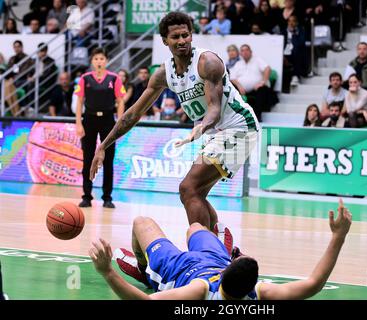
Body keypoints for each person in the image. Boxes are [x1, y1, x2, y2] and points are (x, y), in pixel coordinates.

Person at [89, 12, 260, 253]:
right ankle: (223, 248)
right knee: (194, 193)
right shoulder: (163, 73)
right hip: (215, 132)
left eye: (186, 35)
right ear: (164, 41)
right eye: (175, 37)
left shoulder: (207, 62)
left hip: (238, 128)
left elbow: (213, 108)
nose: (182, 40)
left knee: (188, 188)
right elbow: (133, 114)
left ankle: (203, 254)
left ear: (191, 35)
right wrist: (102, 146)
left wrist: (201, 127)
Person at [89, 199, 352, 300]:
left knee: (141, 222)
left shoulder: (199, 291)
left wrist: (107, 272)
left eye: (238, 259)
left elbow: (145, 302)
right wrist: (339, 236)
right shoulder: (260, 294)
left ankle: (144, 269)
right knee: (194, 227)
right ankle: (217, 248)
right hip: (212, 259)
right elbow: (315, 283)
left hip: (178, 268)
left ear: (227, 272)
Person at [75, 48, 125, 209]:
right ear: (92, 61)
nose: (99, 61)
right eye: (96, 58)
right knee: (88, 159)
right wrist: (78, 122)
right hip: (88, 119)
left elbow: (121, 101)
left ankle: (107, 197)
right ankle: (87, 196)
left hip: (108, 120)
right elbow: (79, 101)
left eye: (102, 58)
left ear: (106, 60)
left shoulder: (114, 78)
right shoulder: (85, 78)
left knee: (108, 160)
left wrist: (120, 123)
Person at [230, 44, 276, 121]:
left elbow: (268, 69)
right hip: (241, 89)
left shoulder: (257, 60)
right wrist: (239, 86)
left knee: (262, 90)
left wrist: (262, 82)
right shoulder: (238, 64)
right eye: (242, 50)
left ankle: (257, 118)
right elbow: (232, 78)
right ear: (240, 53)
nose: (245, 52)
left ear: (251, 52)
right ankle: (234, 118)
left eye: (247, 50)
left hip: (257, 89)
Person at [282, 15, 308, 89]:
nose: (291, 23)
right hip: (284, 53)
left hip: (295, 52)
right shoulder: (283, 32)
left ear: (296, 23)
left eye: (293, 21)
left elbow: (301, 42)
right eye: (289, 21)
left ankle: (295, 76)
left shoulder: (301, 31)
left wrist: (294, 34)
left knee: (297, 51)